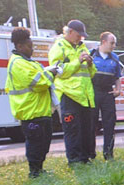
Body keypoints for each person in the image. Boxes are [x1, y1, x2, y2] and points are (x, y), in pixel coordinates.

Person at [7, 26, 59, 178]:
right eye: (30, 46)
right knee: (35, 143)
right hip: (30, 111)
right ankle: (34, 172)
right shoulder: (18, 63)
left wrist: (48, 73)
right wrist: (52, 73)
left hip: (41, 110)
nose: (32, 49)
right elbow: (39, 83)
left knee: (44, 143)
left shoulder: (29, 62)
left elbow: (41, 77)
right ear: (19, 46)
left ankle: (39, 169)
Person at [49, 19, 97, 166]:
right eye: (78, 34)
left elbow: (92, 73)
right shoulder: (58, 47)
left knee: (86, 129)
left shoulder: (83, 47)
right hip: (68, 95)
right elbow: (59, 71)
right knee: (72, 130)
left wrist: (89, 63)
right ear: (70, 32)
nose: (80, 38)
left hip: (84, 96)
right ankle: (74, 160)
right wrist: (78, 61)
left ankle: (86, 158)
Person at [91, 32, 123, 160]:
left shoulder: (115, 58)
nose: (114, 46)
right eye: (112, 43)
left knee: (110, 124)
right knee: (91, 125)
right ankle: (90, 154)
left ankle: (108, 154)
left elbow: (117, 77)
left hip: (108, 93)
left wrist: (118, 89)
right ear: (103, 42)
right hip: (93, 93)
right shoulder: (91, 54)